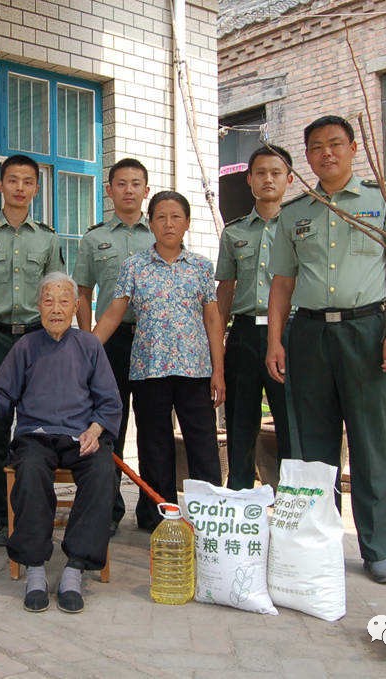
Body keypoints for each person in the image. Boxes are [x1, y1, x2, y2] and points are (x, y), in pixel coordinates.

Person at [265, 115, 386, 585]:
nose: (326, 153)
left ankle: (377, 549)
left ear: (353, 148)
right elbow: (282, 284)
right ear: (308, 157)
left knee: (369, 441)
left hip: (368, 331)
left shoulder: (384, 201)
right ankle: (321, 541)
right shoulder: (296, 213)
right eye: (316, 147)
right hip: (309, 335)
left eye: (335, 144)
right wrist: (275, 339)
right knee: (312, 446)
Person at [0, 272, 121, 614]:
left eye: (64, 301)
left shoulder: (89, 346)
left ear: (76, 306)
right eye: (49, 301)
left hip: (80, 436)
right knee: (29, 471)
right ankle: (35, 568)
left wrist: (96, 431)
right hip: (36, 436)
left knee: (102, 472)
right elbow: (1, 399)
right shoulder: (26, 346)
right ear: (38, 306)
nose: (56, 309)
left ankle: (75, 568)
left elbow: (109, 402)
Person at [94, 191, 226, 532]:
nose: (168, 224)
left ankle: (209, 517)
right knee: (154, 446)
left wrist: (218, 371)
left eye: (176, 217)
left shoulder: (200, 267)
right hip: (149, 370)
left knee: (203, 445)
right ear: (149, 223)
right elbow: (113, 315)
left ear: (187, 223)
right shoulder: (134, 266)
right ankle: (158, 517)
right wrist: (83, 350)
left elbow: (213, 320)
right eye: (161, 217)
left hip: (194, 371)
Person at [0, 155, 66, 547]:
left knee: (39, 423)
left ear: (37, 189)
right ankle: (0, 515)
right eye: (13, 181)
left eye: (28, 182)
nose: (20, 188)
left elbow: (57, 289)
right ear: (0, 186)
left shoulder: (47, 237)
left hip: (38, 340)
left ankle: (36, 504)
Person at [73, 158, 155, 534]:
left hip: (155, 340)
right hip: (111, 341)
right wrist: (88, 343)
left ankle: (153, 509)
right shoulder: (94, 238)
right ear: (109, 190)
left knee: (154, 424)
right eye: (121, 183)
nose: (128, 190)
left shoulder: (160, 233)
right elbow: (83, 291)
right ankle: (107, 508)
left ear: (146, 190)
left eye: (136, 183)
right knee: (110, 424)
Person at [216, 145, 294, 491]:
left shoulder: (299, 227)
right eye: (260, 173)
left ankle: (293, 500)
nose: (268, 179)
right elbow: (225, 292)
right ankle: (241, 498)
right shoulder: (234, 233)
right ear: (249, 180)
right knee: (240, 422)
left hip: (290, 335)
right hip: (244, 334)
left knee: (291, 421)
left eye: (276, 173)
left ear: (289, 179)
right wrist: (216, 347)